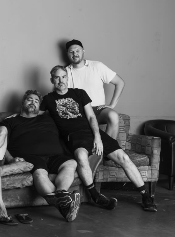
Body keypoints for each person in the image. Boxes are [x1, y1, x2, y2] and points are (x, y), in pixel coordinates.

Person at [41, 65, 157, 212]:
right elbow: (34, 117)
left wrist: (98, 137)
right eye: (57, 77)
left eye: (63, 77)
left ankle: (146, 196)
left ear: (67, 78)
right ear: (52, 80)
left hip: (91, 132)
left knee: (123, 157)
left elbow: (91, 117)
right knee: (81, 156)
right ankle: (95, 195)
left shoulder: (79, 93)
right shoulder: (48, 99)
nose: (60, 80)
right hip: (73, 136)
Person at [0, 90, 81, 222]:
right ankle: (65, 203)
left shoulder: (49, 118)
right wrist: (10, 158)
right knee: (40, 173)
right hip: (30, 156)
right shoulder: (10, 121)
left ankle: (62, 194)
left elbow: (72, 121)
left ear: (39, 106)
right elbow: (2, 141)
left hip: (55, 155)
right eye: (29, 99)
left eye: (36, 101)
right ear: (22, 103)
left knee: (71, 163)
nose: (33, 102)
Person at [65, 39, 125, 139]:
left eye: (77, 50)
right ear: (67, 54)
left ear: (83, 51)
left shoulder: (97, 66)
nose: (75, 54)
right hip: (79, 112)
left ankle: (109, 147)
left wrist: (112, 105)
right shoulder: (65, 72)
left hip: (98, 109)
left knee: (113, 116)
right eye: (71, 52)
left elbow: (120, 82)